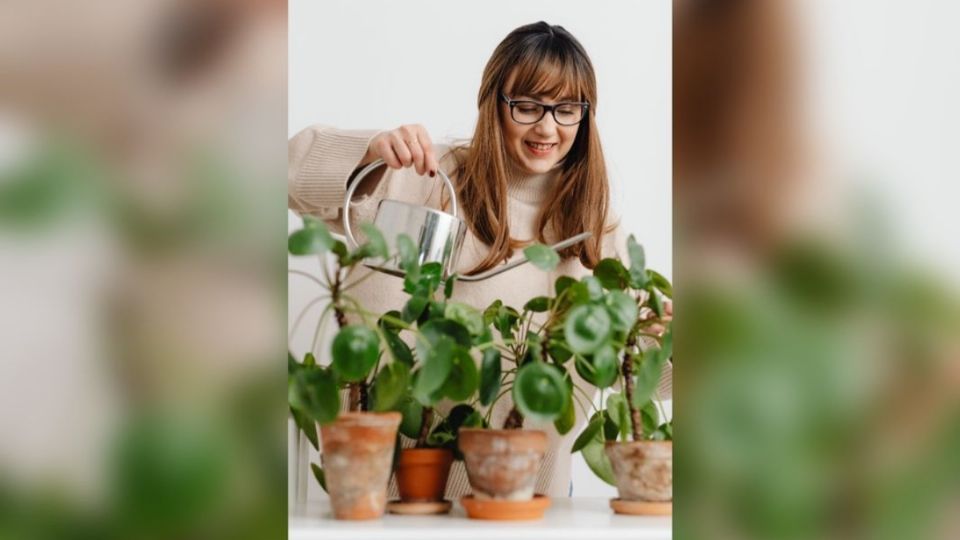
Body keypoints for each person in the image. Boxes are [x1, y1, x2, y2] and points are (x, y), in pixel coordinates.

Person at [289, 21, 668, 498]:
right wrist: (367, 153)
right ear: (494, 103)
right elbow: (287, 175)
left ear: (585, 116)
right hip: (393, 498)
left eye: (566, 109)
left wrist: (671, 337)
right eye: (527, 106)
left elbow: (657, 380)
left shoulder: (595, 231)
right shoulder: (426, 177)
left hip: (528, 504)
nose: (547, 127)